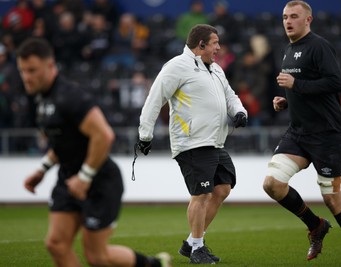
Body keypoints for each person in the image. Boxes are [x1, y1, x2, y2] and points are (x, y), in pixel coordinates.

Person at [16, 37, 171, 267]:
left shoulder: (71, 97)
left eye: (32, 70)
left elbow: (104, 135)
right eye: (22, 71)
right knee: (56, 244)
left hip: (99, 182)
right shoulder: (39, 98)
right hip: (69, 179)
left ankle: (154, 264)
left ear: (50, 66)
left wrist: (85, 177)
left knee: (97, 257)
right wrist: (42, 169)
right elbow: (64, 143)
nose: (26, 77)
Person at [262, 2, 341, 267]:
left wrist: (295, 84)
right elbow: (303, 91)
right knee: (272, 184)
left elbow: (335, 84)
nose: (288, 21)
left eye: (294, 16)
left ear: (308, 19)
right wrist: (286, 100)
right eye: (285, 17)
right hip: (298, 133)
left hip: (327, 135)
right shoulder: (288, 50)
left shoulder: (319, 46)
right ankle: (316, 225)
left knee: (332, 199)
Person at [137, 24, 247, 264]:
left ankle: (190, 243)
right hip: (192, 142)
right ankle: (197, 248)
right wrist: (145, 135)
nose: (219, 47)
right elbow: (155, 99)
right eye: (215, 42)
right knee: (202, 194)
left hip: (215, 142)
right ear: (201, 45)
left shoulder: (216, 69)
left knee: (222, 188)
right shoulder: (176, 66)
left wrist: (239, 111)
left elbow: (230, 95)